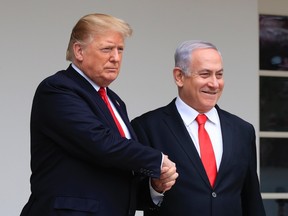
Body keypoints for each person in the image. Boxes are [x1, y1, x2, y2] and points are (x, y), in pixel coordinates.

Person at [20, 13, 178, 216]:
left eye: (120, 50)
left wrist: (153, 186)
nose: (116, 57)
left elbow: (116, 175)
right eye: (107, 49)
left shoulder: (115, 101)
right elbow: (100, 143)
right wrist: (156, 160)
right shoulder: (57, 89)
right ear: (79, 51)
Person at [131, 40, 266, 216]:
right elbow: (132, 196)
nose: (214, 83)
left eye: (219, 75)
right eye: (205, 74)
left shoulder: (242, 130)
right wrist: (156, 187)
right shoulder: (146, 127)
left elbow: (251, 198)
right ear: (179, 76)